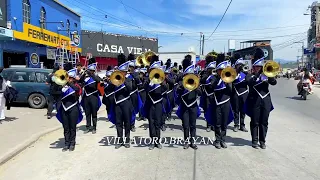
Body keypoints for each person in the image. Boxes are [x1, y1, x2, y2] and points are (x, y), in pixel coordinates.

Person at [245, 48, 277, 149]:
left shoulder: (266, 75)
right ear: (253, 67)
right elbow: (249, 83)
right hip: (254, 101)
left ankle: (262, 141)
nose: (258, 68)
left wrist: (269, 76)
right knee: (255, 121)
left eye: (260, 67)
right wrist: (258, 74)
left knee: (264, 121)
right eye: (257, 67)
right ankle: (254, 140)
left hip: (265, 100)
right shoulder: (250, 75)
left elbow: (274, 83)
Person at [205, 54, 234, 149]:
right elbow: (211, 87)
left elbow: (230, 92)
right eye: (219, 70)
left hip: (226, 102)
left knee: (224, 123)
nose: (221, 72)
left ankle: (223, 140)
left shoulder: (228, 78)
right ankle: (217, 140)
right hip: (217, 102)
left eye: (223, 70)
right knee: (217, 123)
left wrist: (226, 82)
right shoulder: (214, 78)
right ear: (217, 70)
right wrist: (218, 79)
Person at [141, 57, 167, 150]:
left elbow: (165, 89)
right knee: (151, 123)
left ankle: (158, 141)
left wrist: (162, 80)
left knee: (158, 122)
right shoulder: (148, 79)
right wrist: (149, 79)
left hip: (159, 104)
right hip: (150, 104)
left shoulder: (161, 79)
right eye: (153, 70)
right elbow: (144, 88)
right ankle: (152, 141)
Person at [108, 61, 134, 149]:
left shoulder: (128, 80)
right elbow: (108, 89)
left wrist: (123, 80)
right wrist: (111, 81)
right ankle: (120, 140)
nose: (121, 73)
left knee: (127, 122)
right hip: (117, 104)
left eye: (123, 72)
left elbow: (130, 89)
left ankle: (127, 140)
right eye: (120, 71)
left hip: (126, 103)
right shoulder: (115, 79)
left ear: (126, 72)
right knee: (118, 123)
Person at [56, 68, 83, 152]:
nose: (68, 79)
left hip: (73, 108)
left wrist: (69, 82)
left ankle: (72, 143)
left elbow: (77, 90)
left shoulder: (77, 85)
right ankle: (66, 143)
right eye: (67, 77)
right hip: (64, 108)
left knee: (72, 127)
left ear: (73, 78)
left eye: (70, 78)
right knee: (66, 127)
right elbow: (54, 92)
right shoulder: (62, 87)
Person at [176, 64, 201, 150]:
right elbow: (177, 91)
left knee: (193, 125)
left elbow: (200, 93)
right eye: (187, 75)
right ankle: (186, 141)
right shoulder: (181, 83)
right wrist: (182, 85)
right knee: (186, 125)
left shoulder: (196, 82)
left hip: (193, 106)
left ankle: (192, 142)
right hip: (184, 106)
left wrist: (196, 86)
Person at [79, 61, 102, 134]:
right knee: (87, 113)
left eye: (91, 71)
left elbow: (98, 80)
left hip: (93, 97)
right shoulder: (85, 77)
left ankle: (94, 127)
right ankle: (88, 126)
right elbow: (80, 81)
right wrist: (84, 73)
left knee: (94, 113)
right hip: (86, 97)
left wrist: (91, 74)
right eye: (89, 70)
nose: (90, 72)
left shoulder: (95, 77)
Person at [231, 54, 249, 132]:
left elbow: (249, 82)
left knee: (243, 110)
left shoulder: (245, 74)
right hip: (236, 94)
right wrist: (236, 72)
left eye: (241, 65)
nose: (240, 66)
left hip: (244, 94)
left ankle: (242, 125)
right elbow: (232, 81)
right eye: (239, 65)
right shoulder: (233, 74)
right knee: (236, 110)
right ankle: (236, 125)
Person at [200, 55, 216, 132]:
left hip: (214, 94)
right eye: (211, 69)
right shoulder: (205, 73)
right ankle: (208, 125)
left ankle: (213, 124)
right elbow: (202, 81)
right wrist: (207, 74)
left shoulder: (215, 75)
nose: (212, 70)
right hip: (206, 94)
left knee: (214, 110)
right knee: (207, 110)